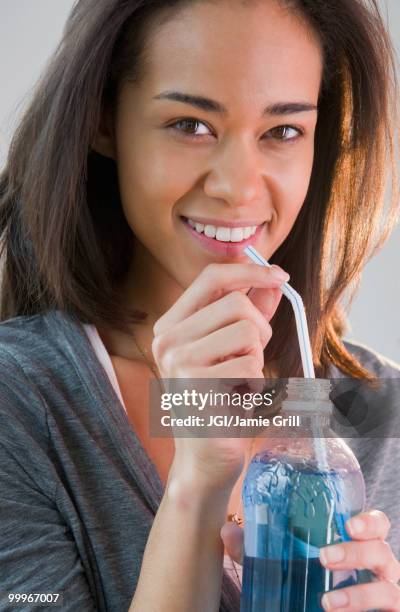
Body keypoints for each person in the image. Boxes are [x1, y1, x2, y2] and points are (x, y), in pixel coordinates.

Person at [0, 0, 399, 610]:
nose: (238, 187)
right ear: (103, 120)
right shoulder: (20, 405)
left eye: (282, 131)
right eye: (191, 124)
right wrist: (198, 484)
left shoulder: (386, 417)